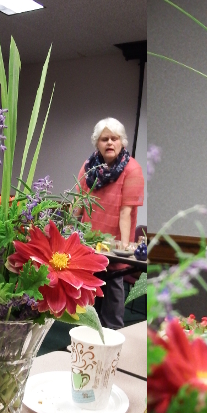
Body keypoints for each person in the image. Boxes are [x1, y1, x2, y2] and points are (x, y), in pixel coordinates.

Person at [76, 117, 145, 328]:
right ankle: (85, 333)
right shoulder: (89, 167)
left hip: (114, 245)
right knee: (87, 301)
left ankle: (113, 335)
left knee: (113, 295)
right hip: (89, 241)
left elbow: (126, 212)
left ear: (122, 142)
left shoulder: (132, 169)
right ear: (97, 143)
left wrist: (124, 247)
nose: (109, 143)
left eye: (114, 138)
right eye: (104, 139)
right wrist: (68, 232)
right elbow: (77, 203)